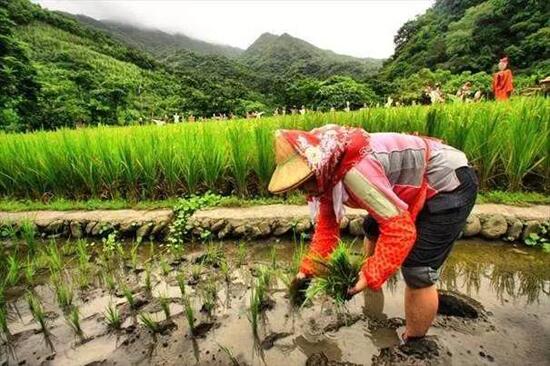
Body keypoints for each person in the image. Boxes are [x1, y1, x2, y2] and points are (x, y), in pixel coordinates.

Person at [268, 125, 478, 342]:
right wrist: (307, 271)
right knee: (372, 227)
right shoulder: (327, 171)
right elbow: (327, 229)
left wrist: (372, 273)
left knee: (418, 270)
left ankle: (415, 345)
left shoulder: (353, 169)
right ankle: (370, 290)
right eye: (299, 186)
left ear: (318, 168)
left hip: (448, 182)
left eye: (306, 182)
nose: (305, 191)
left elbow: (399, 230)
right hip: (410, 186)